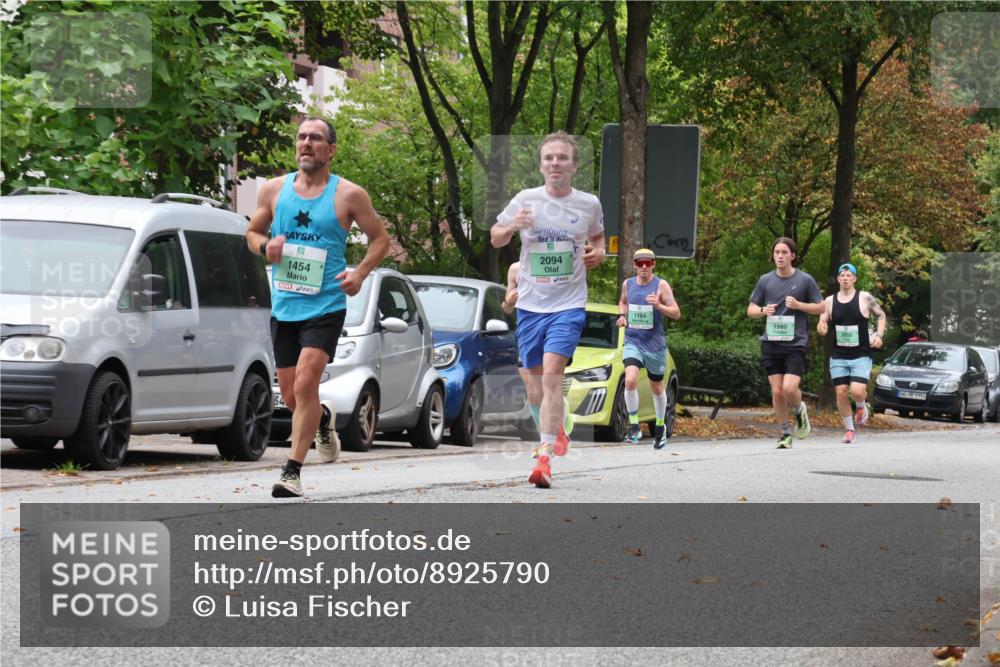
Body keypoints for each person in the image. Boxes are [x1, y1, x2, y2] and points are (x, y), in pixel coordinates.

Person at [247, 117, 389, 497]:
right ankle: (323, 418)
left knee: (307, 381)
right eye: (302, 137)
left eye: (315, 138)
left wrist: (359, 274)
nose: (306, 143)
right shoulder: (273, 190)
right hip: (285, 306)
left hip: (326, 304)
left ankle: (291, 471)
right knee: (293, 396)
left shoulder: (349, 195)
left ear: (331, 149)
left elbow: (380, 239)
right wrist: (265, 247)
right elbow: (252, 233)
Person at [491, 131, 605, 488]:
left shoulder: (588, 204)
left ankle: (544, 457)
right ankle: (557, 430)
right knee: (535, 388)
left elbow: (598, 237)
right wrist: (512, 225)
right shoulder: (526, 200)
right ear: (541, 165)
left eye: (562, 157)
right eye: (549, 158)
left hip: (568, 305)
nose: (555, 163)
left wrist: (599, 253)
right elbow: (495, 236)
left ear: (574, 165)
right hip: (530, 306)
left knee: (553, 375)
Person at [747, 237, 825, 449]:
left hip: (795, 343)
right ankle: (785, 433)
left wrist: (799, 305)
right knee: (777, 391)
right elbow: (751, 310)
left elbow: (821, 307)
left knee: (789, 388)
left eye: (784, 252)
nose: (780, 256)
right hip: (771, 342)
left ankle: (799, 411)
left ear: (793, 255)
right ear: (773, 256)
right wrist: (763, 310)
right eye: (777, 252)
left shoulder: (805, 280)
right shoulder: (765, 280)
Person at [616, 248, 681, 449]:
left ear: (653, 265)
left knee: (657, 386)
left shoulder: (661, 285)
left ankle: (660, 427)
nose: (644, 267)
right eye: (640, 263)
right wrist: (622, 315)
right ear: (634, 265)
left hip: (654, 345)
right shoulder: (628, 284)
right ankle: (634, 427)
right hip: (633, 341)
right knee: (630, 380)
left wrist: (659, 306)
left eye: (648, 263)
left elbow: (676, 313)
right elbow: (623, 302)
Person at [817, 263, 887, 443]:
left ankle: (861, 405)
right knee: (841, 392)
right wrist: (822, 327)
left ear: (854, 278)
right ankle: (849, 429)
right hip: (838, 355)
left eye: (849, 275)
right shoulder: (829, 301)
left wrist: (879, 336)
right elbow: (822, 321)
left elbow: (881, 315)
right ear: (838, 279)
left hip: (860, 354)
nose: (845, 278)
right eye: (842, 275)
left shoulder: (865, 298)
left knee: (857, 391)